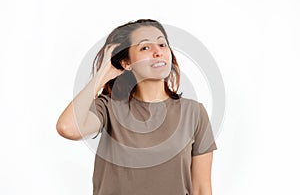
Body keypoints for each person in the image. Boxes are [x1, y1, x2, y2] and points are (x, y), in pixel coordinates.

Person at [56, 19, 217, 195]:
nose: (158, 52)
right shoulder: (109, 107)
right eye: (145, 47)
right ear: (127, 63)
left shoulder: (194, 113)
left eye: (162, 44)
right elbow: (68, 128)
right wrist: (102, 74)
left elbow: (201, 188)